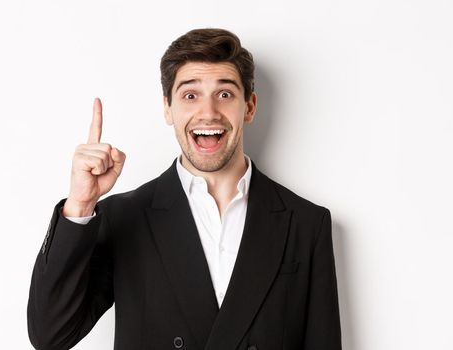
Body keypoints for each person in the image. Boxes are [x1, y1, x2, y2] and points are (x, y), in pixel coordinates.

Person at [27, 28, 342, 350]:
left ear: (249, 107)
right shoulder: (124, 216)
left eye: (225, 94)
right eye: (190, 95)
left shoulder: (305, 223)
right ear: (168, 108)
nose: (208, 112)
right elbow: (51, 335)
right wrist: (80, 204)